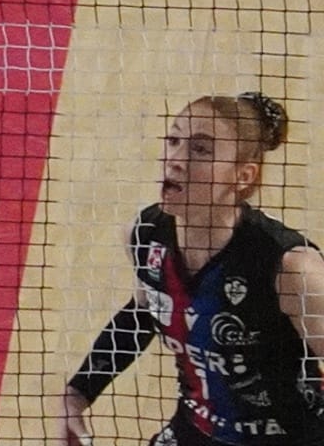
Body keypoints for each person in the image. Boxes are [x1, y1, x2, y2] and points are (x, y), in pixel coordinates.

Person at [59, 93, 324, 446]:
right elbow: (143, 314)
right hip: (193, 431)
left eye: (200, 150)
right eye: (173, 140)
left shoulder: (291, 268)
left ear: (243, 176)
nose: (176, 160)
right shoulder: (146, 234)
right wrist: (78, 392)